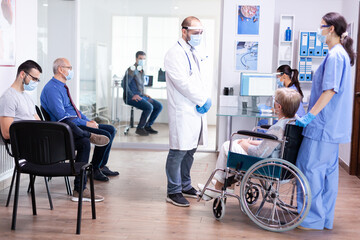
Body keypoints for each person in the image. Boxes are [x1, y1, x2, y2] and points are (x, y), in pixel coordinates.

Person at [0, 60, 105, 202]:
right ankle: (89, 135)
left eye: (38, 79)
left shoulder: (26, 97)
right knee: (68, 124)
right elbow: (7, 133)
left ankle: (79, 190)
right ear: (22, 74)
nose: (36, 82)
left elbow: (39, 122)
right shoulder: (8, 98)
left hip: (41, 139)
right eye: (34, 78)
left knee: (82, 141)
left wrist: (48, 131)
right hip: (31, 146)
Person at [295, 12, 355, 230]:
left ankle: (311, 220)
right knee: (327, 173)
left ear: (331, 29)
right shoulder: (339, 54)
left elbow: (329, 90)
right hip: (331, 128)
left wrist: (310, 116)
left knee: (309, 170)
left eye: (321, 26)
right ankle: (323, 218)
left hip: (322, 126)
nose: (319, 31)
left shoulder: (335, 55)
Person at [198, 88, 302, 197]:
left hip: (267, 166)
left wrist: (244, 144)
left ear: (279, 107)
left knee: (226, 146)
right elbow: (274, 144)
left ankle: (218, 188)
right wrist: (250, 143)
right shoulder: (293, 122)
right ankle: (226, 183)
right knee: (238, 142)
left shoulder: (277, 128)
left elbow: (259, 154)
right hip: (282, 165)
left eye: (274, 101)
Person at [41, 58, 119, 183]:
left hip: (75, 122)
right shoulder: (52, 89)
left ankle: (99, 166)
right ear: (60, 69)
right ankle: (95, 169)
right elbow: (62, 116)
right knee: (105, 134)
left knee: (111, 129)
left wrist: (89, 121)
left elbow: (75, 110)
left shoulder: (62, 86)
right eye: (69, 68)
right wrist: (85, 124)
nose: (71, 71)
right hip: (66, 127)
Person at [164, 16, 212, 207]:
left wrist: (203, 98)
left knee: (190, 150)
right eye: (195, 33)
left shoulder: (193, 52)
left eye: (200, 32)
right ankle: (173, 191)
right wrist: (202, 99)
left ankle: (185, 185)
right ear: (184, 32)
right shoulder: (174, 53)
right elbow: (182, 83)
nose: (198, 36)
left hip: (194, 110)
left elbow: (198, 80)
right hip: (183, 110)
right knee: (178, 151)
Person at [122, 51, 163, 136]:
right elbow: (124, 84)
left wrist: (143, 94)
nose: (142, 60)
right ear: (136, 59)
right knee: (149, 107)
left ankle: (148, 126)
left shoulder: (141, 70)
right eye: (140, 58)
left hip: (140, 96)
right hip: (130, 97)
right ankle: (140, 128)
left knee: (159, 106)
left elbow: (138, 85)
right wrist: (132, 95)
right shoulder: (131, 69)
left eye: (144, 59)